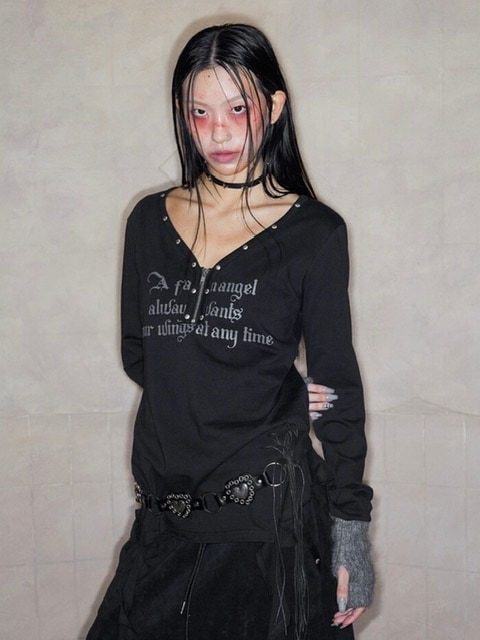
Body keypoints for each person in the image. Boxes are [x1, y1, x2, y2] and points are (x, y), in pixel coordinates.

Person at [87, 23, 374, 640]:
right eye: (200, 112)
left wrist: (351, 526)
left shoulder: (315, 234)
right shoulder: (148, 221)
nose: (218, 132)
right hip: (165, 516)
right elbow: (142, 355)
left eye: (237, 109)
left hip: (270, 522)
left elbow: (338, 389)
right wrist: (265, 388)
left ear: (274, 106)